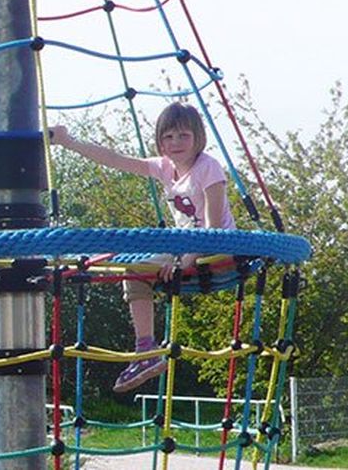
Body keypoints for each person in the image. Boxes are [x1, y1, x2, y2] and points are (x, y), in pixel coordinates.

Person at [50, 102, 235, 392]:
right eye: (168, 137)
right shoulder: (164, 167)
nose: (175, 143)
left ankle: (146, 352)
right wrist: (68, 141)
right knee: (134, 270)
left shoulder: (208, 168)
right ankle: (145, 351)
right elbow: (115, 160)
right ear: (160, 141)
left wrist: (187, 259)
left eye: (183, 136)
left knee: (146, 265)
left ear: (198, 137)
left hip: (217, 248)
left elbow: (212, 229)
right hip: (185, 245)